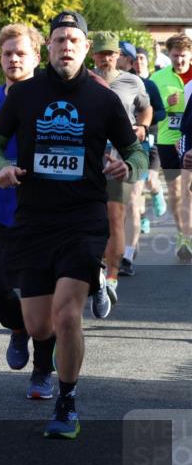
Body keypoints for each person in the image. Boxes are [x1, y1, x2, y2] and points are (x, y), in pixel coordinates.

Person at [0, 11, 147, 439]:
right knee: (40, 325)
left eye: (74, 39)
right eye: (59, 40)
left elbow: (137, 151)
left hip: (83, 218)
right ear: (49, 48)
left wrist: (128, 166)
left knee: (68, 313)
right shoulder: (25, 95)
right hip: (34, 220)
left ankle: (67, 401)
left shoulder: (103, 100)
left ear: (86, 48)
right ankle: (48, 344)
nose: (66, 46)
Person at [0, 23, 54, 398]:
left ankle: (42, 372)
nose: (14, 59)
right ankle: (19, 328)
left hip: (41, 209)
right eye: (7, 53)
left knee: (41, 294)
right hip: (0, 207)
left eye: (21, 53)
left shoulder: (51, 97)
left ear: (36, 57)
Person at [90, 31, 152, 308]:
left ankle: (111, 278)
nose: (105, 59)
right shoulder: (82, 79)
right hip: (88, 155)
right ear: (93, 55)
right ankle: (92, 269)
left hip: (118, 154)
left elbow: (146, 109)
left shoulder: (131, 81)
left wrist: (143, 126)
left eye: (110, 54)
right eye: (101, 54)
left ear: (118, 55)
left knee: (116, 215)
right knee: (89, 215)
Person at [120, 44, 168, 269]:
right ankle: (119, 246)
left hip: (144, 144)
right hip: (111, 150)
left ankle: (128, 255)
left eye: (119, 55)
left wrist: (143, 124)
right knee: (116, 204)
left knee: (135, 195)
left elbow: (160, 111)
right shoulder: (104, 84)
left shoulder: (147, 85)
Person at [149, 34, 192, 260]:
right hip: (167, 139)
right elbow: (149, 111)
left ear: (190, 55)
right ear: (169, 55)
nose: (179, 60)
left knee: (188, 188)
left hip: (190, 139)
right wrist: (166, 104)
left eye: (183, 56)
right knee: (175, 191)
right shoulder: (157, 78)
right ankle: (183, 234)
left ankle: (189, 232)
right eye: (175, 56)